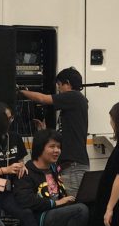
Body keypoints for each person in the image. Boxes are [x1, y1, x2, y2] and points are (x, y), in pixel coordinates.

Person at [14, 130, 110, 226]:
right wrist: (56, 203)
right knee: (80, 210)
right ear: (40, 148)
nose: (57, 150)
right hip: (41, 222)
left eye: (58, 147)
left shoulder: (53, 168)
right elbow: (25, 200)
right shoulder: (26, 171)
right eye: (52, 146)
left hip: (59, 216)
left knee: (97, 207)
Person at [19, 67, 89, 196]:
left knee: (71, 202)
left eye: (59, 86)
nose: (59, 90)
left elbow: (43, 99)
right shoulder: (74, 103)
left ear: (67, 83)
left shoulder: (74, 97)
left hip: (73, 166)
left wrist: (21, 92)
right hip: (70, 165)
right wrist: (44, 131)